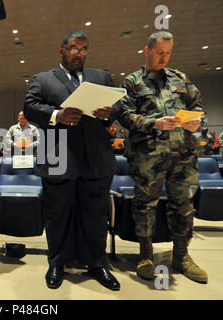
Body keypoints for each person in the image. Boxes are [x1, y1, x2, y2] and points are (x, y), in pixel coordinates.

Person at [24, 30, 121, 291]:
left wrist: (107, 113)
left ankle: (97, 263)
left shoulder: (102, 77)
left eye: (83, 49)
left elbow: (119, 108)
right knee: (58, 215)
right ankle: (57, 263)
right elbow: (30, 108)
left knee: (96, 216)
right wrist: (57, 114)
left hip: (96, 159)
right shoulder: (43, 79)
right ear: (61, 51)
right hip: (58, 158)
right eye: (73, 48)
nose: (78, 53)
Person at [119, 31, 207, 283]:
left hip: (184, 154)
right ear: (147, 50)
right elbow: (125, 115)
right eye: (159, 52)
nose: (164, 58)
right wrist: (153, 123)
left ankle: (181, 255)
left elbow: (198, 108)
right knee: (145, 205)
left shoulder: (181, 79)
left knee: (183, 205)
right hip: (148, 156)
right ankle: (146, 255)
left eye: (168, 53)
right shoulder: (132, 82)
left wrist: (197, 121)